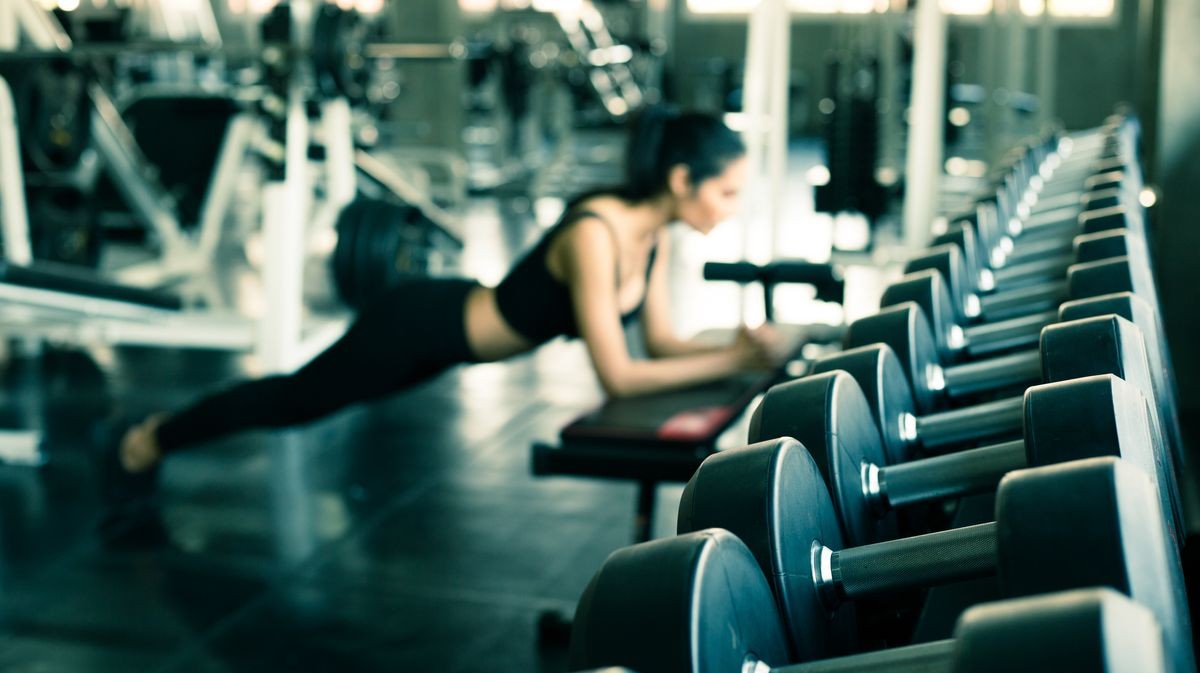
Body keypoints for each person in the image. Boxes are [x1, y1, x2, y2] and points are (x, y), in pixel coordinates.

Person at [111, 106, 788, 489]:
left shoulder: (654, 234)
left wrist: (739, 349)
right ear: (679, 179)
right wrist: (734, 360)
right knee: (295, 402)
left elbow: (664, 345)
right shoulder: (595, 235)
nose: (730, 209)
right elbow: (618, 374)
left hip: (446, 345)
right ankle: (147, 440)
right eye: (725, 192)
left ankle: (153, 440)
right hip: (421, 324)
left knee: (306, 400)